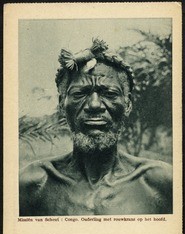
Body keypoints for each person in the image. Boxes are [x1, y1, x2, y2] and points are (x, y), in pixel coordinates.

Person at [19, 39, 172, 216]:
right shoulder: (32, 184)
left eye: (109, 93)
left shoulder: (161, 183)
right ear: (62, 104)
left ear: (128, 104)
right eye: (79, 94)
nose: (94, 105)